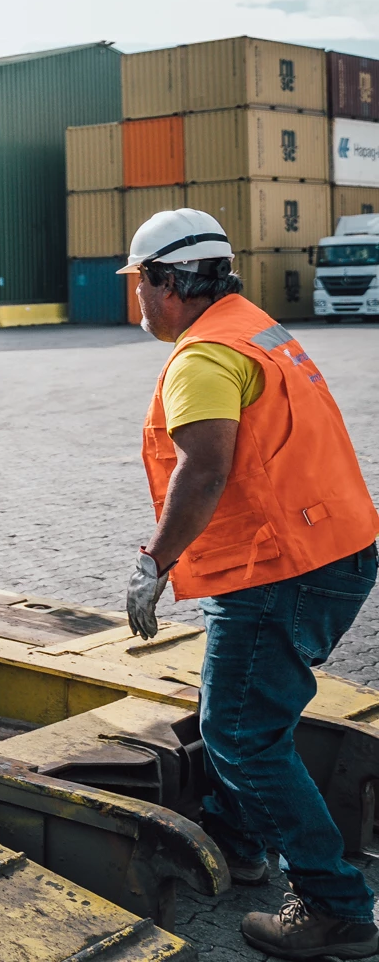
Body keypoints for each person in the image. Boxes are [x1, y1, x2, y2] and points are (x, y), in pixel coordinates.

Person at [119, 208, 379, 960]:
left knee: (239, 737)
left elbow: (205, 470)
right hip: (335, 549)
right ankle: (239, 843)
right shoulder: (255, 327)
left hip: (282, 568)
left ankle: (336, 908)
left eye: (141, 283)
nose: (138, 299)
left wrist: (154, 563)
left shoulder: (204, 356)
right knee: (241, 711)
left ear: (168, 281)